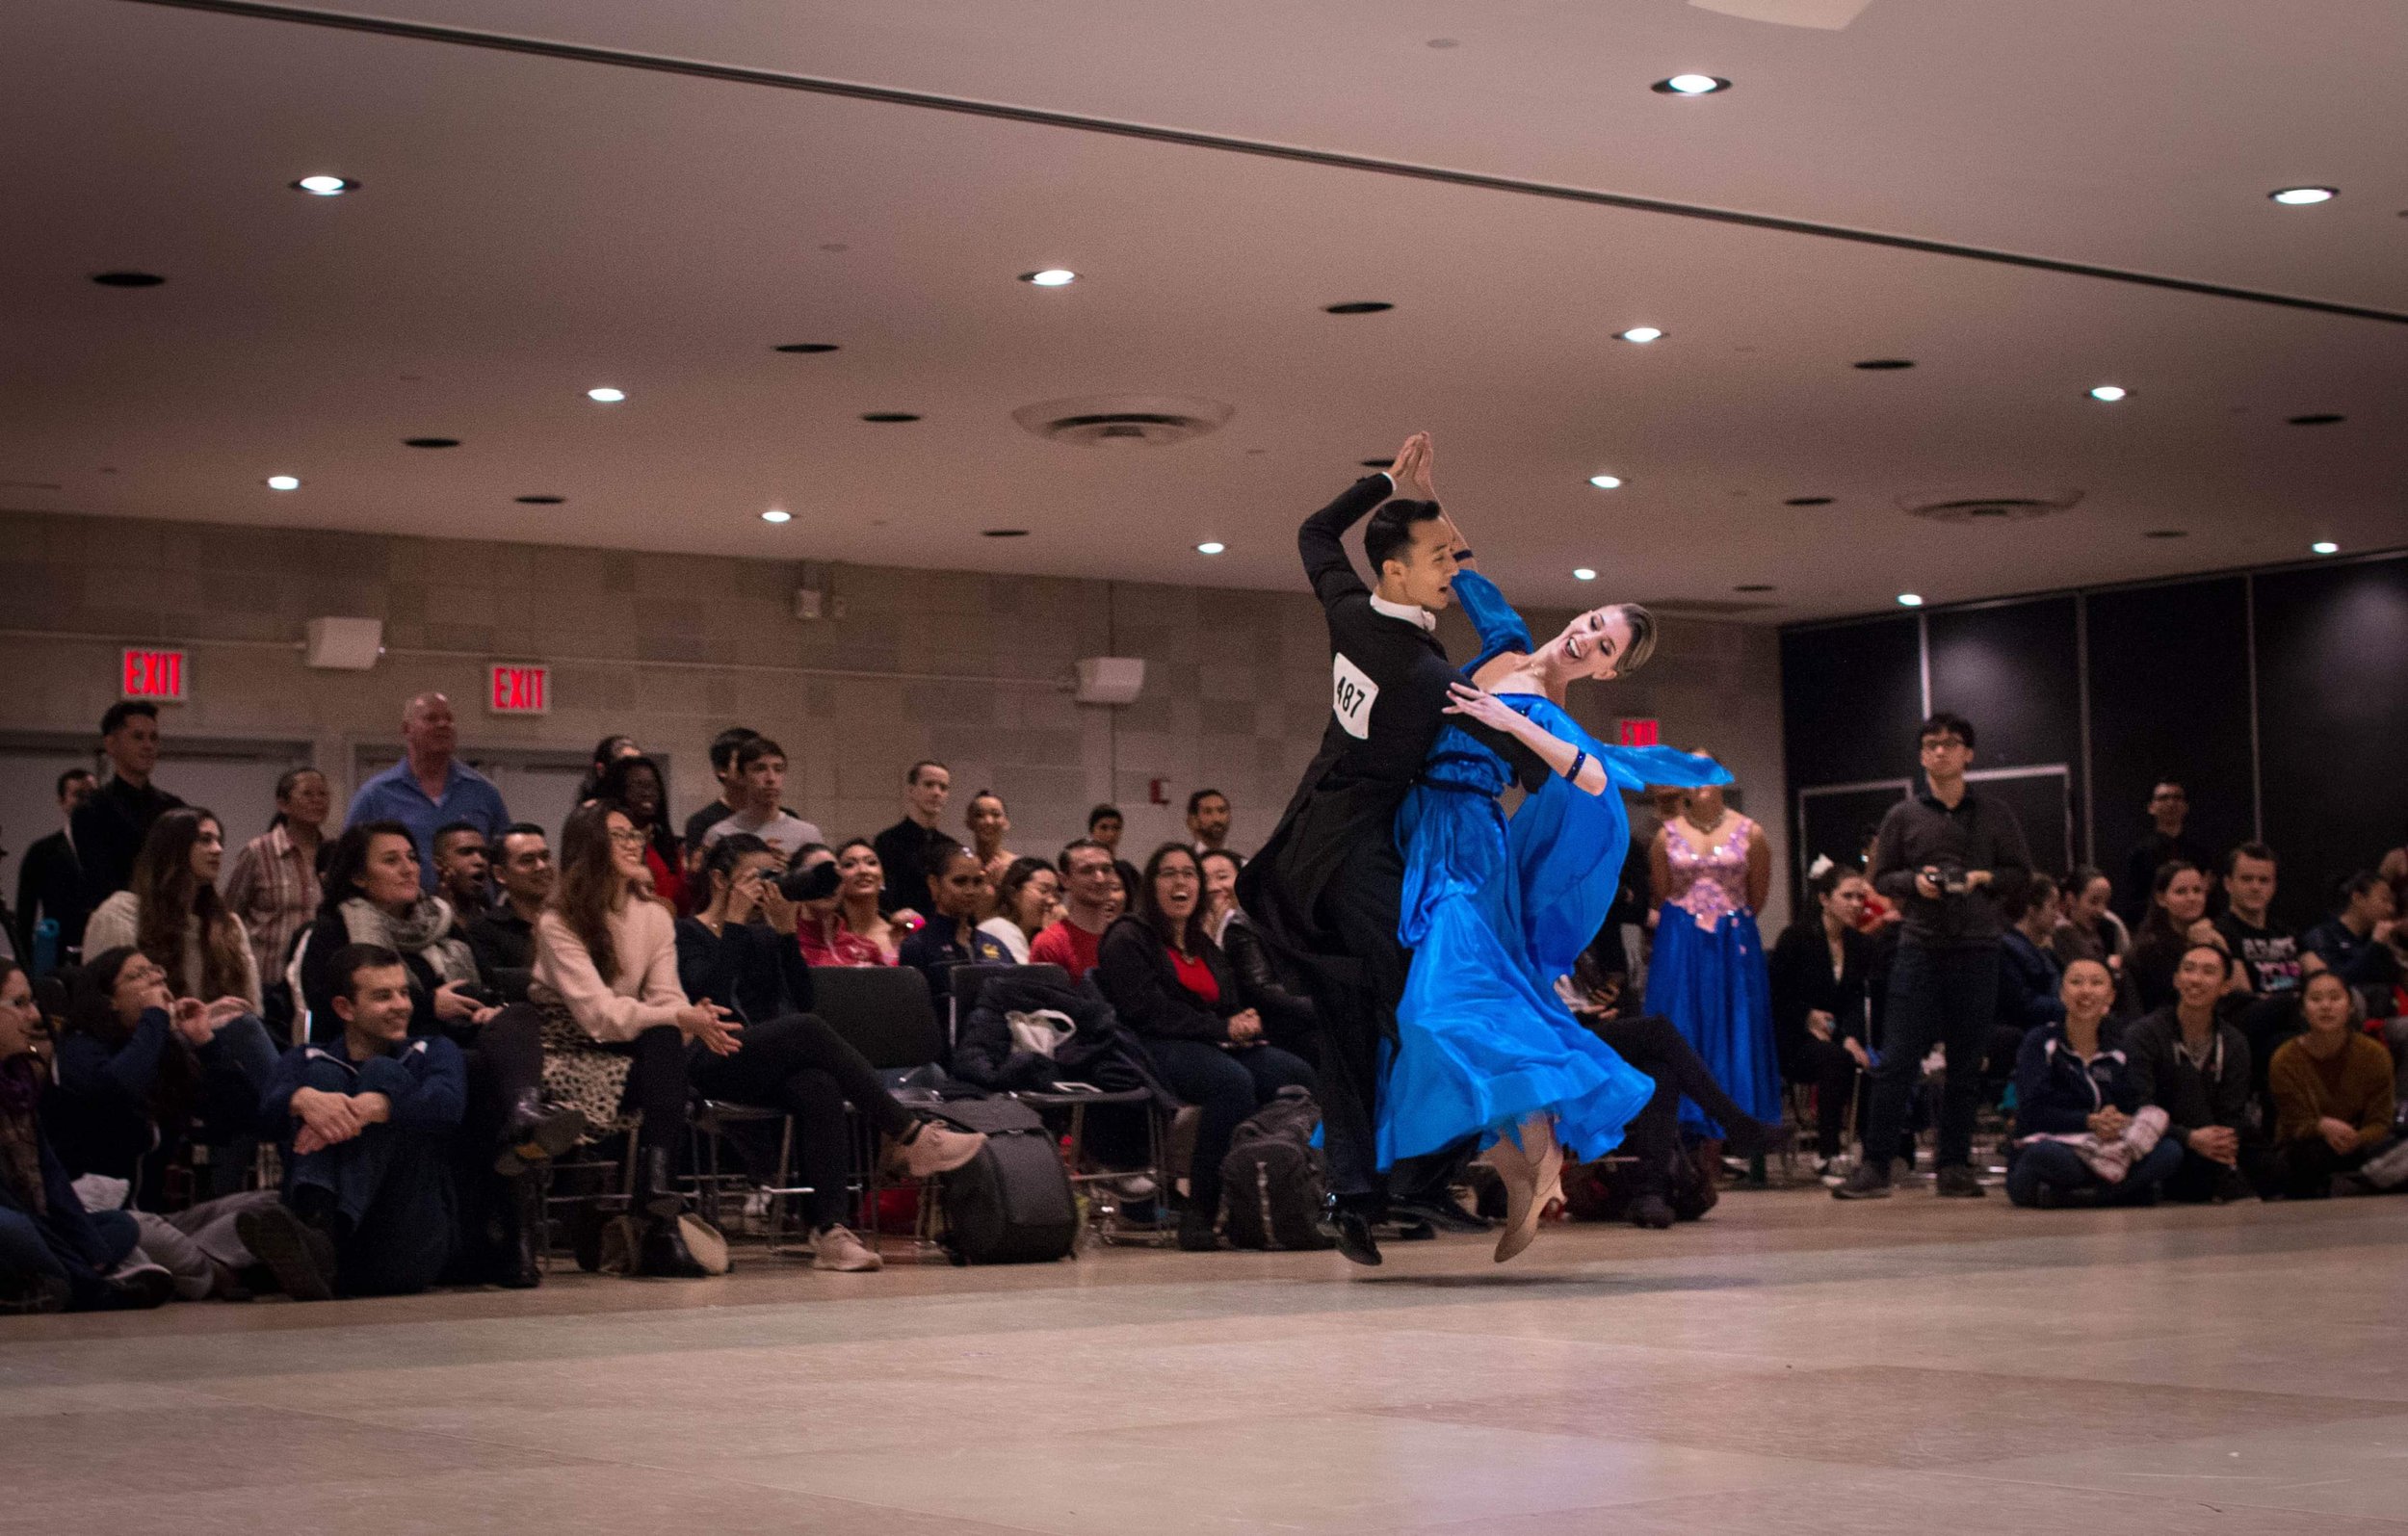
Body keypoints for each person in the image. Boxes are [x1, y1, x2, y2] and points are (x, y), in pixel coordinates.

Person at [1238, 432, 1558, 1263]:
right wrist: (1576, 767)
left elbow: (1315, 533)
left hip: (1302, 860)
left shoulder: (1351, 612)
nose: (1453, 568)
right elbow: (1515, 750)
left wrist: (1395, 483)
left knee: (1351, 1024)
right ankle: (1426, 1169)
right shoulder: (1423, 671)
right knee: (1434, 997)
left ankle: (1356, 1194)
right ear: (1396, 572)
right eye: (1440, 558)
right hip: (1352, 864)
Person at [1384, 546, 1735, 1262]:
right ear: (1582, 612)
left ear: (1606, 669)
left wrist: (1509, 722)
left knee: (1437, 1009)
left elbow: (1599, 780)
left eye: (1604, 647)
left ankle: (1534, 1150)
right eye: (1596, 622)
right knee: (1438, 1013)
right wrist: (1422, 490)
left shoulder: (1553, 711)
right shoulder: (1509, 643)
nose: (1589, 638)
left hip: (1469, 850)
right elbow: (1468, 570)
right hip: (1422, 832)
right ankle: (1518, 1157)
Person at [678, 834, 984, 1269]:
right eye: (756, 877)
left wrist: (784, 933)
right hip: (708, 1057)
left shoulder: (763, 937)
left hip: (759, 1060)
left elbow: (803, 1001)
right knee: (807, 1032)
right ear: (719, 879)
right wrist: (734, 923)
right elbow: (708, 1001)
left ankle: (830, 1231)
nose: (767, 885)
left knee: (817, 1083)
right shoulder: (686, 933)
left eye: (772, 876)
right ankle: (911, 1135)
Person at [297, 820, 571, 1284]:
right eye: (391, 860)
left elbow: (482, 985)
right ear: (360, 877)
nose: (408, 868)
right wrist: (429, 1003)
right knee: (474, 1075)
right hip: (386, 1056)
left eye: (411, 857)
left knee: (516, 1019)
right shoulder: (334, 930)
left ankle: (525, 1121)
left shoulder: (442, 924)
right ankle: (504, 1240)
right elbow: (332, 1009)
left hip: (458, 1045)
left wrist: (484, 1009)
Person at [532, 802, 736, 1277]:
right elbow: (598, 1016)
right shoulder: (558, 922)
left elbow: (667, 997)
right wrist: (681, 1017)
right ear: (590, 847)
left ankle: (656, 1208)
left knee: (664, 1038)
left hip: (636, 1051)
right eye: (619, 835)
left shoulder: (653, 916)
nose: (634, 843)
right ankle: (657, 1212)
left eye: (634, 835)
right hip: (572, 1057)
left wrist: (683, 1017)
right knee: (665, 1037)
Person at [1837, 712, 2033, 1200]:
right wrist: (1916, 884)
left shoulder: (1995, 814)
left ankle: (1954, 1164)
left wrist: (1983, 879)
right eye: (1930, 745)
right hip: (1920, 945)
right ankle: (1877, 1163)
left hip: (1978, 946)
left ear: (1969, 753)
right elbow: (1882, 880)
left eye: (1949, 744)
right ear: (1922, 754)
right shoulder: (1903, 816)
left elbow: (2020, 875)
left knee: (1968, 1061)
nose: (1939, 752)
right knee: (1899, 1056)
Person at [1094, 844, 1318, 1251]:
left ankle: (1271, 1202)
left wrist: (1244, 1021)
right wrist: (1221, 1027)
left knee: (1294, 1072)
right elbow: (1145, 1010)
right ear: (1150, 884)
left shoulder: (1201, 943)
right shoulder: (1128, 936)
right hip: (1149, 1046)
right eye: (1168, 873)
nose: (1180, 882)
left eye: (1189, 873)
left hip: (1207, 1041)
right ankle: (1202, 1209)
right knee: (1231, 1082)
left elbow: (1227, 1001)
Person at [239, 944, 467, 1301]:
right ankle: (318, 1234)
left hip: (404, 1243)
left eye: (404, 993)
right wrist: (303, 1101)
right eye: (382, 996)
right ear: (344, 1008)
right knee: (322, 1080)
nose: (401, 1005)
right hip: (333, 1262)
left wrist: (381, 1106)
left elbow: (448, 1105)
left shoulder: (432, 1050)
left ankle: (324, 1239)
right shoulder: (307, 1058)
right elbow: (263, 1112)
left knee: (382, 1072)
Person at [0, 958, 173, 1313]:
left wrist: (93, 1253)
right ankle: (81, 1287)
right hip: (13, 1220)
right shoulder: (81, 1053)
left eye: (31, 1002)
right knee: (12, 1227)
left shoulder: (18, 1081)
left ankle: (43, 1283)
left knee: (120, 1226)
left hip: (39, 1223)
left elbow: (51, 1178)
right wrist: (87, 1271)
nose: (34, 1015)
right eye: (19, 1004)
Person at [43, 948, 278, 1208]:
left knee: (266, 1205)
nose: (156, 979)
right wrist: (154, 1018)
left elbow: (237, 1118)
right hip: (96, 1214)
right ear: (109, 1000)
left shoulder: (164, 1052)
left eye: (156, 970)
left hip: (154, 1215)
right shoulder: (80, 1048)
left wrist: (205, 1043)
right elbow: (118, 1088)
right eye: (138, 975)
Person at [1645, 778, 1781, 1150]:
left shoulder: (1751, 831)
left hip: (1732, 939)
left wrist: (1725, 918)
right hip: (1681, 944)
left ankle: (1736, 1130)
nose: (1700, 781)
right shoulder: (1665, 836)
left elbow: (1758, 895)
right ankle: (1683, 1132)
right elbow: (1663, 891)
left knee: (1734, 1023)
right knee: (1683, 1023)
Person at [2004, 958, 2183, 1208]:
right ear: (2062, 993)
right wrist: (2089, 1121)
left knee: (2170, 1150)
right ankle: (2122, 1193)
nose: (2085, 991)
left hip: (2108, 1151)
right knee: (2043, 1154)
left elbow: (2135, 1103)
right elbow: (2032, 1112)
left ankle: (2083, 1197)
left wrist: (2120, 1119)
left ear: (2110, 997)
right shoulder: (2039, 1042)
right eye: (2076, 982)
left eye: (2096, 983)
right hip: (2060, 1149)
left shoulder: (2120, 1050)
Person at [83, 808, 261, 1010]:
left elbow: (252, 1007)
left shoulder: (227, 925)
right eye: (205, 839)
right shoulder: (121, 915)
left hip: (219, 1038)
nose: (218, 849)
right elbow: (103, 1004)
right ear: (174, 847)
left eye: (219, 841)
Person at [1768, 860, 1875, 1177]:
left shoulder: (1861, 945)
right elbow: (1778, 996)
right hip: (1795, 1038)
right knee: (1835, 1058)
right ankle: (1827, 1152)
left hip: (1839, 1035)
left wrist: (1851, 1036)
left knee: (1867, 1059)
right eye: (1848, 897)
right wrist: (1808, 1018)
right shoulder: (1796, 938)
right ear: (1825, 899)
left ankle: (1875, 1151)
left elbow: (1856, 1000)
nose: (1857, 905)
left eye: (1860, 898)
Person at [2127, 942, 2256, 1204]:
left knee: (2273, 1164)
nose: (2195, 979)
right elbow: (2140, 1106)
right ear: (2176, 980)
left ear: (2226, 987)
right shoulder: (2144, 1034)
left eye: (2208, 972)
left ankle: (2222, 1172)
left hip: (2212, 1141)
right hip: (2164, 1136)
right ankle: (2223, 1178)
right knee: (2187, 1078)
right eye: (2188, 970)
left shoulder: (2234, 1042)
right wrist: (2190, 1137)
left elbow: (2232, 1111)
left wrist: (2222, 1144)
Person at [346, 692, 510, 888]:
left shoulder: (483, 791)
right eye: (431, 718)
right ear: (407, 729)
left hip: (472, 914)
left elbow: (506, 859)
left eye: (448, 719)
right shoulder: (375, 795)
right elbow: (348, 863)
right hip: (400, 914)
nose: (443, 724)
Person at [2266, 970, 2398, 1199]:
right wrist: (2320, 1126)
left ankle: (2356, 1183)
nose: (2325, 1006)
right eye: (2316, 999)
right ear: (2303, 1010)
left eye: (2335, 998)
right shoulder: (2285, 1059)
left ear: (2350, 1007)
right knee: (2304, 1156)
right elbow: (2293, 1122)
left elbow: (2381, 1121)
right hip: (2305, 1146)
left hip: (2361, 1144)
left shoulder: (2374, 1055)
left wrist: (2358, 1137)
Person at [222, 767, 330, 1008]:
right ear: (283, 804)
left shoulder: (335, 853)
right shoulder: (258, 852)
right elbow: (229, 917)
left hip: (316, 981)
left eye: (322, 794)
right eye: (308, 794)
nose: (317, 801)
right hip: (267, 980)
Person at [1200, 846, 1316, 1060]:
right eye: (1205, 879)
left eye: (1222, 877)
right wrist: (1321, 1008)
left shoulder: (1265, 916)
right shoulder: (1239, 925)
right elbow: (1262, 988)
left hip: (1290, 1016)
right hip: (1272, 1025)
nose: (1214, 886)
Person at [74, 701, 186, 907]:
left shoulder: (174, 809)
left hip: (168, 925)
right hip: (117, 925)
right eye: (138, 737)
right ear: (111, 745)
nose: (148, 746)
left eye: (154, 738)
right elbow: (101, 883)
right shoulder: (91, 810)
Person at [895, 842, 1011, 1004]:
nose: (971, 890)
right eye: (960, 881)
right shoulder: (917, 947)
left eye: (978, 882)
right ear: (934, 884)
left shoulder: (996, 945)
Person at [1994, 874, 2067, 1099]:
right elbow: (2021, 1004)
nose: (2058, 915)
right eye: (2053, 907)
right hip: (2029, 1030)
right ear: (2031, 909)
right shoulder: (2007, 949)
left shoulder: (2044, 950)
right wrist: (2070, 1009)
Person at [697, 736, 822, 864]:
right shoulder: (719, 834)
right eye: (760, 769)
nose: (771, 778)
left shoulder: (807, 835)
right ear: (741, 776)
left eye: (778, 769)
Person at [14, 768, 95, 963]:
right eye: (78, 795)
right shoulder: (41, 851)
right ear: (62, 801)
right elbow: (24, 917)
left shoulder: (113, 849)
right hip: (56, 957)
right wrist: (26, 966)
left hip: (101, 953)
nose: (86, 800)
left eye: (92, 795)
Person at [465, 823, 552, 1002]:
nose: (541, 866)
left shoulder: (575, 920)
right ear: (500, 874)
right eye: (527, 860)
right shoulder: (483, 929)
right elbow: (497, 985)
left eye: (545, 857)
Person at [2128, 861, 2229, 1013]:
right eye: (2181, 892)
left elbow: (2230, 991)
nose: (2192, 897)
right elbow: (2178, 999)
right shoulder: (2148, 949)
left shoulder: (2214, 935)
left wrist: (2219, 944)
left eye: (2197, 890)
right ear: (2161, 899)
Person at [2120, 779, 2219, 927]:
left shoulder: (2200, 853)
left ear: (2185, 807)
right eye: (2163, 798)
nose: (2171, 803)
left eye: (2177, 797)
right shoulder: (2139, 854)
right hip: (2154, 929)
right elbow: (2133, 902)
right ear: (2151, 807)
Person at [595, 754, 687, 913]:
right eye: (638, 785)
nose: (647, 793)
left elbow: (682, 905)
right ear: (620, 790)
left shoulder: (666, 843)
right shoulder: (605, 842)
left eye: (652, 786)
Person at [796, 840, 907, 966]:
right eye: (849, 865)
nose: (863, 870)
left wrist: (916, 923)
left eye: (871, 862)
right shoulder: (822, 927)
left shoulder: (901, 927)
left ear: (883, 878)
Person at [1030, 840, 1120, 983]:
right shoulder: (1050, 944)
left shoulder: (1126, 939)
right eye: (1087, 871)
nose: (1100, 879)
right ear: (1065, 880)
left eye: (1106, 869)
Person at [874, 761, 954, 919]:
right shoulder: (887, 842)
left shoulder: (951, 848)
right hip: (901, 931)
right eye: (929, 785)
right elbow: (883, 898)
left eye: (943, 787)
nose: (936, 792)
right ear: (911, 790)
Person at [680, 726, 760, 854]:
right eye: (742, 760)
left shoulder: (784, 817)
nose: (750, 767)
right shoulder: (701, 823)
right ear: (721, 770)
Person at [980, 856, 1059, 964]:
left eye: (1055, 894)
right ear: (1014, 894)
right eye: (1043, 890)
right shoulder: (1000, 928)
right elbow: (1031, 978)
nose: (1051, 900)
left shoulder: (1032, 935)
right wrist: (1049, 937)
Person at [429, 821, 491, 929]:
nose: (480, 861)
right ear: (439, 864)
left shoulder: (495, 919)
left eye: (484, 854)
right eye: (466, 852)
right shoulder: (422, 920)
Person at [1087, 804, 1142, 909]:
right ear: (1092, 831)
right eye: (1104, 828)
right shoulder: (1083, 869)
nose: (1110, 834)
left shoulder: (1127, 870)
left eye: (1116, 828)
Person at [962, 790, 1018, 890]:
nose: (988, 821)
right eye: (980, 815)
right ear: (969, 823)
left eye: (996, 814)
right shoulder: (962, 867)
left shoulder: (1017, 866)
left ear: (1006, 822)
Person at [575, 735, 641, 803]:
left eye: (640, 766)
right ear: (601, 770)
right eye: (626, 767)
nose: (637, 775)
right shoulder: (591, 811)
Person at [1187, 789, 1233, 855]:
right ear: (1193, 820)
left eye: (1221, 811)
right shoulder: (1184, 861)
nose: (1217, 819)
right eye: (1208, 812)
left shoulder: (1241, 863)